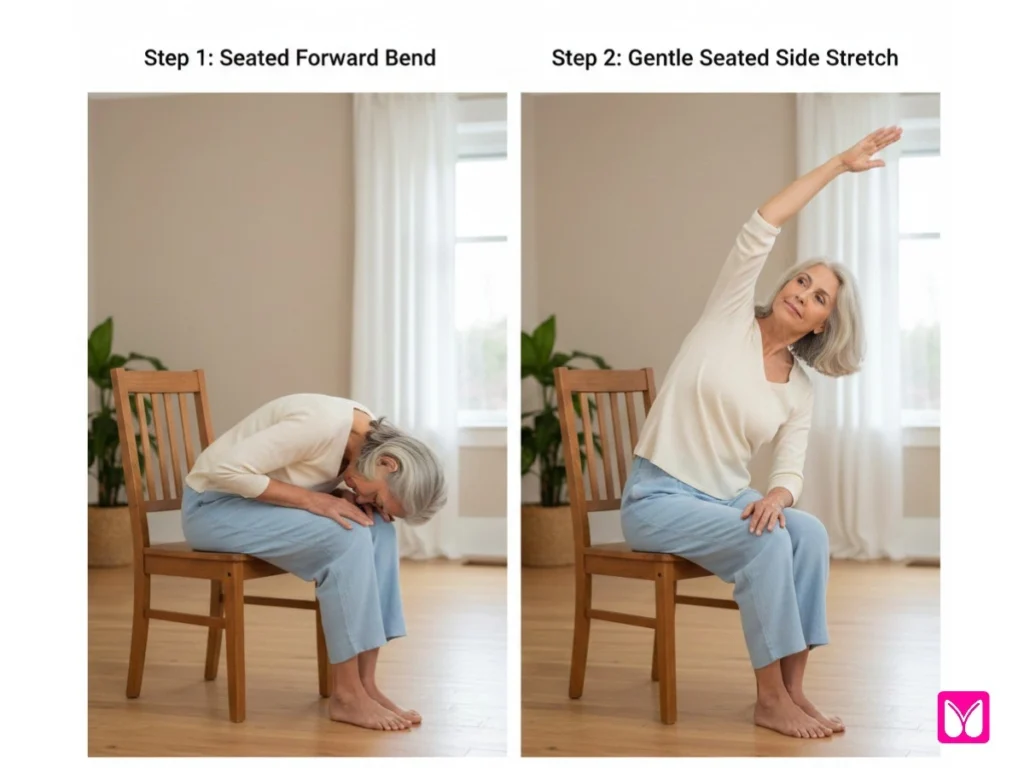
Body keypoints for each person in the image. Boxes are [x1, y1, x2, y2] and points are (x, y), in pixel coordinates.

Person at [621, 126, 901, 739]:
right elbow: (763, 222)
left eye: (820, 295)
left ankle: (795, 690)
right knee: (766, 542)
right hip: (658, 497)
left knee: (806, 532)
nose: (803, 293)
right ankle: (768, 697)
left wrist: (779, 495)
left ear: (827, 322)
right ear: (783, 285)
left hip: (723, 497)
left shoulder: (800, 387)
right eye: (802, 280)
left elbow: (789, 467)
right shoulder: (728, 317)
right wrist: (838, 165)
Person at [181, 392, 447, 731]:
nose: (364, 498)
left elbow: (294, 476)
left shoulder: (367, 438)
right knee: (347, 535)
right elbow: (223, 470)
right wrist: (314, 500)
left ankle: (365, 685)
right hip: (212, 508)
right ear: (388, 463)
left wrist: (355, 503)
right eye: (377, 496)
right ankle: (346, 695)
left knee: (377, 528)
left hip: (259, 508)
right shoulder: (319, 424)